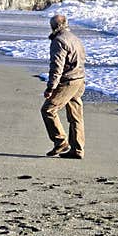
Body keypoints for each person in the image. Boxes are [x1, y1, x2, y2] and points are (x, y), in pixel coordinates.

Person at [41, 14, 86, 159]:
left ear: (54, 26)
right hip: (80, 79)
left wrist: (51, 87)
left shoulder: (59, 41)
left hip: (68, 81)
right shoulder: (75, 39)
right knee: (75, 116)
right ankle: (77, 149)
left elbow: (57, 67)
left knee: (48, 110)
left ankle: (60, 141)